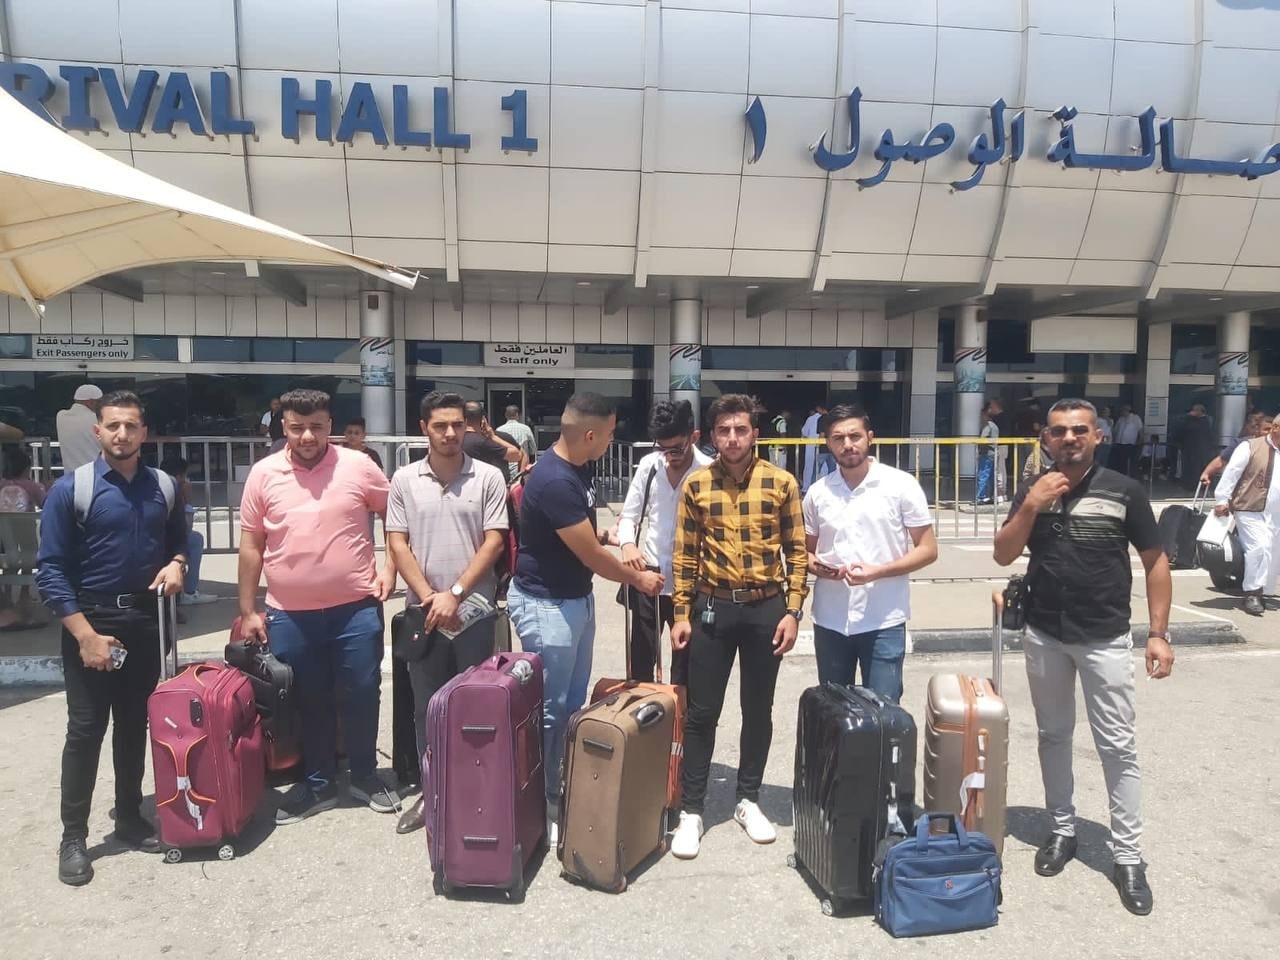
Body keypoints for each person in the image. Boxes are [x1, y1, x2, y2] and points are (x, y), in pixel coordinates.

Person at [994, 398, 1174, 917]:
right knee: (1052, 735)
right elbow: (1004, 554)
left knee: (1117, 746)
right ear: (1045, 439)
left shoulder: (1124, 491)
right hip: (1045, 633)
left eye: (1078, 430)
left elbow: (1155, 561)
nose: (1068, 438)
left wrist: (1158, 634)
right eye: (1058, 431)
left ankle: (1128, 855)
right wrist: (1031, 504)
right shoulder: (1034, 489)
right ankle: (1061, 829)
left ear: (1098, 436)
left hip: (1104, 636)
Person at [35, 390, 189, 886]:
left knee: (133, 725)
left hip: (145, 621)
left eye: (132, 426)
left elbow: (179, 539)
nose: (122, 434)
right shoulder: (72, 490)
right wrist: (85, 636)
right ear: (97, 431)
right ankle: (73, 838)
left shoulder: (163, 486)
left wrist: (177, 563)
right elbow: (50, 570)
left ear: (145, 432)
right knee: (85, 730)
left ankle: (128, 817)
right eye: (113, 426)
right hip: (93, 621)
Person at [236, 388, 401, 825]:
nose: (307, 436)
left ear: (330, 426)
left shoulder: (359, 466)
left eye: (316, 427)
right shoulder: (263, 474)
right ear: (284, 427)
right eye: (297, 428)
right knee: (308, 699)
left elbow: (395, 518)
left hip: (356, 607)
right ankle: (318, 782)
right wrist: (248, 609)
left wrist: (391, 570)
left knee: (362, 691)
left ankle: (364, 775)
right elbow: (251, 544)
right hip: (290, 613)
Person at [505, 393, 663, 845]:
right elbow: (591, 556)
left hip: (574, 600)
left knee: (571, 702)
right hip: (548, 607)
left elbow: (580, 534)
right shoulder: (555, 480)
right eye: (610, 433)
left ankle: (561, 783)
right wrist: (638, 580)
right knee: (551, 710)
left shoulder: (579, 467)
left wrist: (609, 535)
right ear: (590, 434)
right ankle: (545, 800)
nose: (613, 440)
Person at [668, 393, 808, 860]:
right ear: (712, 436)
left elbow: (797, 552)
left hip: (765, 610)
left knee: (758, 709)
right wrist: (681, 614)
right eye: (724, 430)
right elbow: (684, 556)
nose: (732, 438)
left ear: (755, 434)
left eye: (740, 430)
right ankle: (692, 810)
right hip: (712, 609)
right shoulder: (696, 486)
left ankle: (748, 798)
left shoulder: (781, 482)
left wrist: (792, 611)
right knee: (702, 712)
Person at [385, 391, 509, 835]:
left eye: (457, 424)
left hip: (474, 612)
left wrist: (454, 594)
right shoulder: (404, 479)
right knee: (428, 707)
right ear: (424, 428)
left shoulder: (488, 477)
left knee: (477, 706)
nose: (451, 433)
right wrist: (429, 597)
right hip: (425, 614)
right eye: (440, 425)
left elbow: (495, 540)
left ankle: (477, 792)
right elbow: (397, 542)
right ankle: (433, 791)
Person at [803, 405, 937, 702]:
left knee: (884, 711)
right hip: (830, 619)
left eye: (855, 436)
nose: (847, 444)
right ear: (827, 443)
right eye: (838, 438)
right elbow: (805, 553)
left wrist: (878, 571)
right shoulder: (817, 493)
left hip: (883, 619)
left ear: (870, 437)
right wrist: (823, 569)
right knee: (835, 710)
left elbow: (928, 549)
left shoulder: (900, 485)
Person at [615, 400, 711, 685]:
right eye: (663, 448)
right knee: (641, 663)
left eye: (677, 449)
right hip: (650, 579)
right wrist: (627, 544)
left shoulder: (709, 472)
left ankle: (681, 714)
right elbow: (629, 516)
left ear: (694, 437)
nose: (669, 456)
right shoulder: (649, 466)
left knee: (686, 668)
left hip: (692, 581)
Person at [1212, 413, 1280, 616]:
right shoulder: (1249, 446)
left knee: (1272, 551)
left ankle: (1264, 590)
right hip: (1250, 508)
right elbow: (1231, 473)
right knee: (1259, 547)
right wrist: (1222, 500)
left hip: (1276, 512)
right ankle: (1252, 593)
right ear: (1276, 428)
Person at [158, 457, 218, 606]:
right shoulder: (173, 489)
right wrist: (187, 499)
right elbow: (186, 527)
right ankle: (190, 592)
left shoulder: (155, 484)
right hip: (164, 541)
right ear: (179, 476)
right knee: (195, 539)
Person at [0, 447, 47, 630]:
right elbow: (46, 504)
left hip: (5, 549)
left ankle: (7, 597)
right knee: (29, 541)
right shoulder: (31, 486)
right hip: (28, 550)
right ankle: (24, 594)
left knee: (9, 553)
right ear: (27, 469)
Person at [1200, 411, 1269, 488]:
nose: (1269, 433)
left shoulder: (1275, 446)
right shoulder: (1243, 443)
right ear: (1257, 429)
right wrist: (1206, 473)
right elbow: (1222, 460)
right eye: (1267, 429)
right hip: (1244, 486)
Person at [462, 401, 525, 474]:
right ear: (483, 420)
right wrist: (493, 437)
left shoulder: (455, 441)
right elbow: (517, 455)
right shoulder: (483, 442)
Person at [55, 384, 103, 472]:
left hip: (71, 475)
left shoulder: (61, 416)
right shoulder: (98, 419)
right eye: (100, 402)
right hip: (96, 474)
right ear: (91, 402)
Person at [1177, 404, 1215, 492]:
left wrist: (1188, 417)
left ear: (1199, 411)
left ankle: (1194, 486)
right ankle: (1188, 485)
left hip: (1199, 451)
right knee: (1189, 468)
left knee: (1196, 469)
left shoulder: (1204, 421)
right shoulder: (1194, 421)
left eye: (1194, 410)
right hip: (1191, 450)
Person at [499, 404, 538, 477]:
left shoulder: (499, 430)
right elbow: (533, 450)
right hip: (522, 469)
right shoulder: (526, 429)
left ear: (505, 415)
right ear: (517, 415)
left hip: (504, 470)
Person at [800, 403, 828, 492]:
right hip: (825, 448)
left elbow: (804, 433)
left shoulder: (811, 419)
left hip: (811, 448)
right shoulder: (830, 419)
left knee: (810, 468)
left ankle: (807, 488)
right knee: (824, 469)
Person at [1112, 404, 1144, 477]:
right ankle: (1120, 474)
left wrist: (1140, 441)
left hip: (1129, 444)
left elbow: (1141, 431)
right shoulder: (1120, 419)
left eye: (1123, 410)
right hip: (1119, 443)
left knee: (1128, 461)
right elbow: (1115, 431)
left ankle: (1128, 474)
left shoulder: (1135, 418)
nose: (1122, 412)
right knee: (1119, 461)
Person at [977, 404, 999, 505]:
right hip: (994, 453)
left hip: (987, 453)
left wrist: (979, 448)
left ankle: (980, 497)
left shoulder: (987, 426)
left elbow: (983, 439)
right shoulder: (995, 426)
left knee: (983, 474)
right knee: (992, 476)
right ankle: (991, 496)